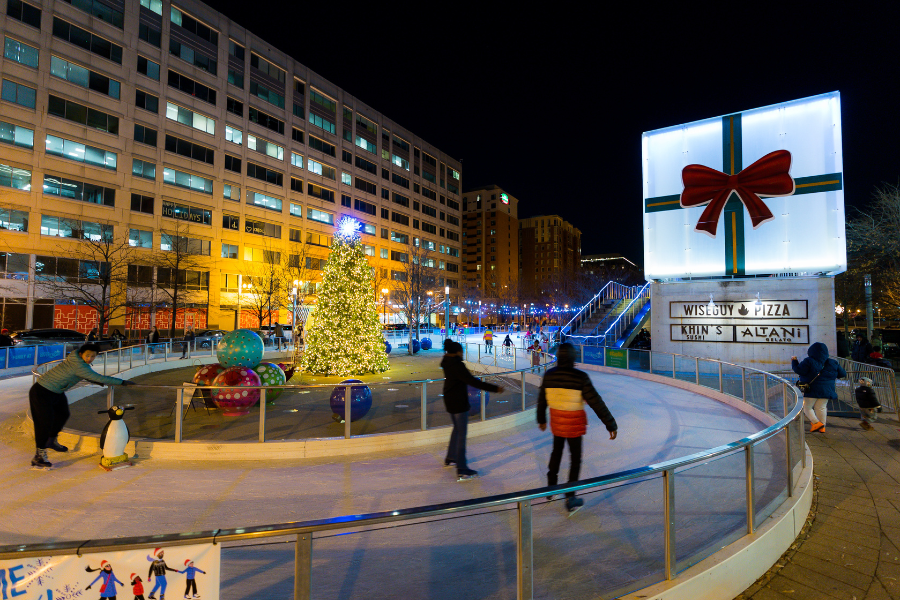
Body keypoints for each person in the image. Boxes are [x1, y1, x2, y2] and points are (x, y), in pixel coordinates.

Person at [538, 343, 618, 513]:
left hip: (558, 423)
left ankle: (551, 486)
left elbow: (542, 399)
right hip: (574, 424)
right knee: (575, 460)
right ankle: (570, 496)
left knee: (556, 452)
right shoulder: (581, 377)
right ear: (573, 356)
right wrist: (610, 423)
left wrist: (541, 419)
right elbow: (596, 401)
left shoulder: (549, 375)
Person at [29, 343, 134, 469]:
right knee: (44, 422)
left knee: (63, 414)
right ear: (81, 354)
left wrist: (95, 381)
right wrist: (121, 382)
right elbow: (96, 376)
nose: (90, 358)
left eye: (93, 356)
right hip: (42, 391)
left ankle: (51, 440)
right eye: (87, 355)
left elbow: (87, 376)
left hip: (55, 392)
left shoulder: (78, 361)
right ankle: (39, 455)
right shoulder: (79, 365)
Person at [440, 339, 503, 480]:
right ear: (457, 352)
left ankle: (450, 456)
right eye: (461, 351)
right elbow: (473, 381)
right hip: (458, 403)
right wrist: (495, 388)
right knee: (462, 435)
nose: (463, 354)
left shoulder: (447, 363)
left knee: (457, 430)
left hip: (450, 401)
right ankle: (462, 468)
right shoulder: (457, 365)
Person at [792, 341, 847, 434]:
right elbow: (843, 374)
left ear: (811, 351)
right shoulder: (833, 362)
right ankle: (822, 427)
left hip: (811, 389)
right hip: (827, 390)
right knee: (821, 407)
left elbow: (799, 370)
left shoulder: (808, 361)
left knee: (807, 407)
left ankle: (816, 423)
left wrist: (794, 361)